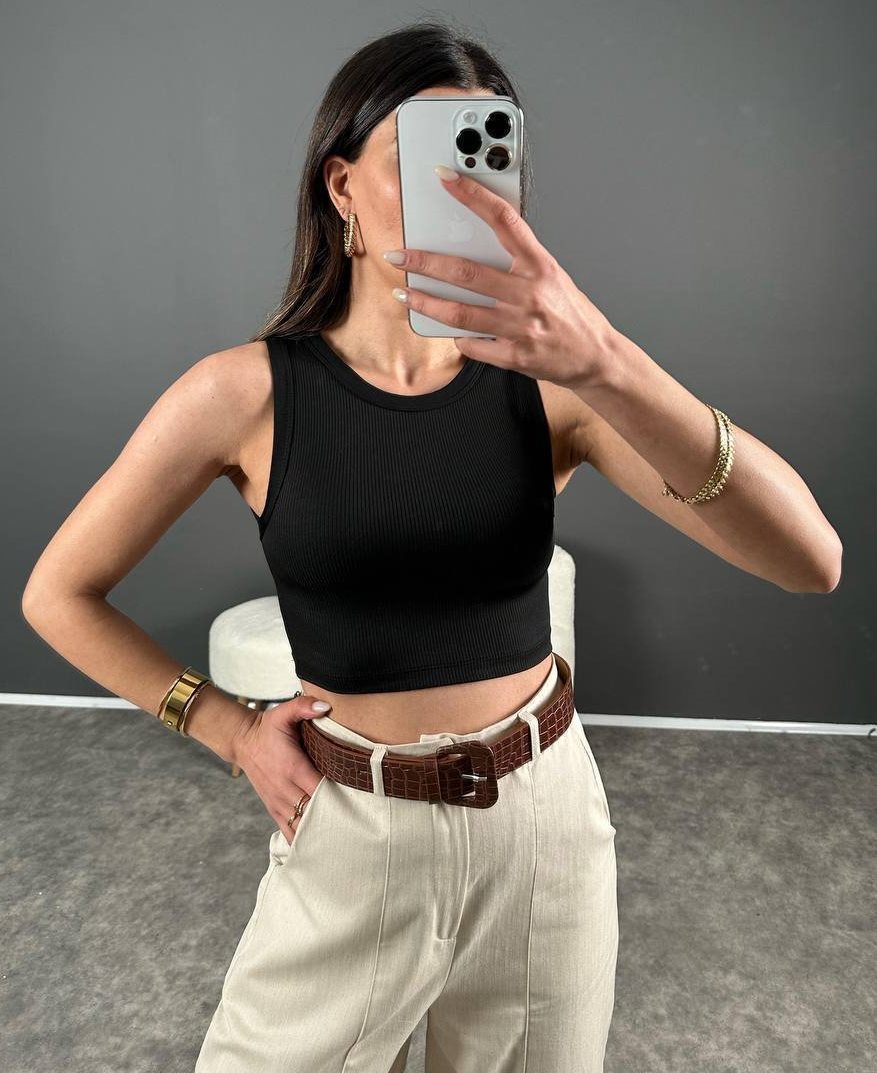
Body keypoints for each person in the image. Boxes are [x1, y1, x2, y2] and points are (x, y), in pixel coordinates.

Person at [20, 18, 843, 1073]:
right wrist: (224, 726)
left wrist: (607, 360)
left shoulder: (556, 390)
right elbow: (58, 592)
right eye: (420, 156)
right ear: (341, 187)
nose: (460, 190)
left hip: (543, 831)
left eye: (484, 156)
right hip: (351, 830)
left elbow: (808, 559)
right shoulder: (241, 394)